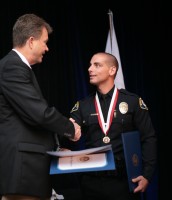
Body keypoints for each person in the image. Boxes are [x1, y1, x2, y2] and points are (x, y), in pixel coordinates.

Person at [0, 13, 81, 200]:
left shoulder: (16, 67)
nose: (46, 48)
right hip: (22, 174)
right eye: (45, 42)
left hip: (26, 175)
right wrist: (70, 128)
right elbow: (39, 114)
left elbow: (28, 120)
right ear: (31, 41)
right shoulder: (12, 67)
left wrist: (55, 147)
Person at [67, 52, 157, 200]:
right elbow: (70, 132)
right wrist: (68, 129)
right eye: (90, 65)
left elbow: (148, 138)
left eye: (97, 65)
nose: (90, 69)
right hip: (90, 182)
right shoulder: (83, 105)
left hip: (123, 182)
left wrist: (147, 175)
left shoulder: (132, 102)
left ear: (112, 70)